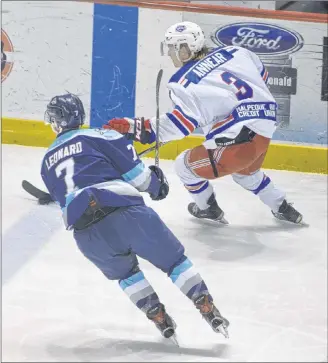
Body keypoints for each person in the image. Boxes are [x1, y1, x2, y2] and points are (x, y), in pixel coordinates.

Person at [40, 93, 229, 343]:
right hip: (126, 212)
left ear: (56, 121)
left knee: (127, 275)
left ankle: (158, 316)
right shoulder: (102, 135)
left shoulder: (46, 163)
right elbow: (141, 179)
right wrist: (156, 183)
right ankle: (205, 304)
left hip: (87, 235)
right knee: (174, 262)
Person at [104, 21, 303, 225]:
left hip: (238, 141)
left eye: (173, 48)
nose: (171, 54)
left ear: (185, 49)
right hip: (265, 129)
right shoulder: (236, 51)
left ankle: (207, 208)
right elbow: (262, 77)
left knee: (183, 166)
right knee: (246, 174)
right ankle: (284, 208)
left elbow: (178, 126)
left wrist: (136, 127)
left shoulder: (182, 82)